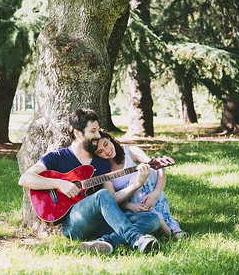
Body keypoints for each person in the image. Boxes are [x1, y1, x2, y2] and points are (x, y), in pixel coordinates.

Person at [18, 108, 161, 255]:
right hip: (73, 224)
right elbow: (25, 178)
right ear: (78, 133)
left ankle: (105, 242)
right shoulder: (57, 157)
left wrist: (136, 184)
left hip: (99, 222)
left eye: (98, 131)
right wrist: (59, 183)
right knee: (102, 194)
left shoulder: (101, 163)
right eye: (93, 131)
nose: (98, 135)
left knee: (152, 219)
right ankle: (136, 238)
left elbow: (112, 198)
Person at [92, 129, 188, 239]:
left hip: (150, 198)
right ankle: (165, 229)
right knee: (136, 178)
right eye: (100, 152)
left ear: (109, 139)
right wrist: (130, 205)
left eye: (106, 144)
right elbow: (112, 199)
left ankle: (160, 227)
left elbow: (159, 170)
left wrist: (155, 194)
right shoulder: (103, 169)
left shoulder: (129, 151)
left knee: (148, 171)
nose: (107, 151)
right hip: (127, 207)